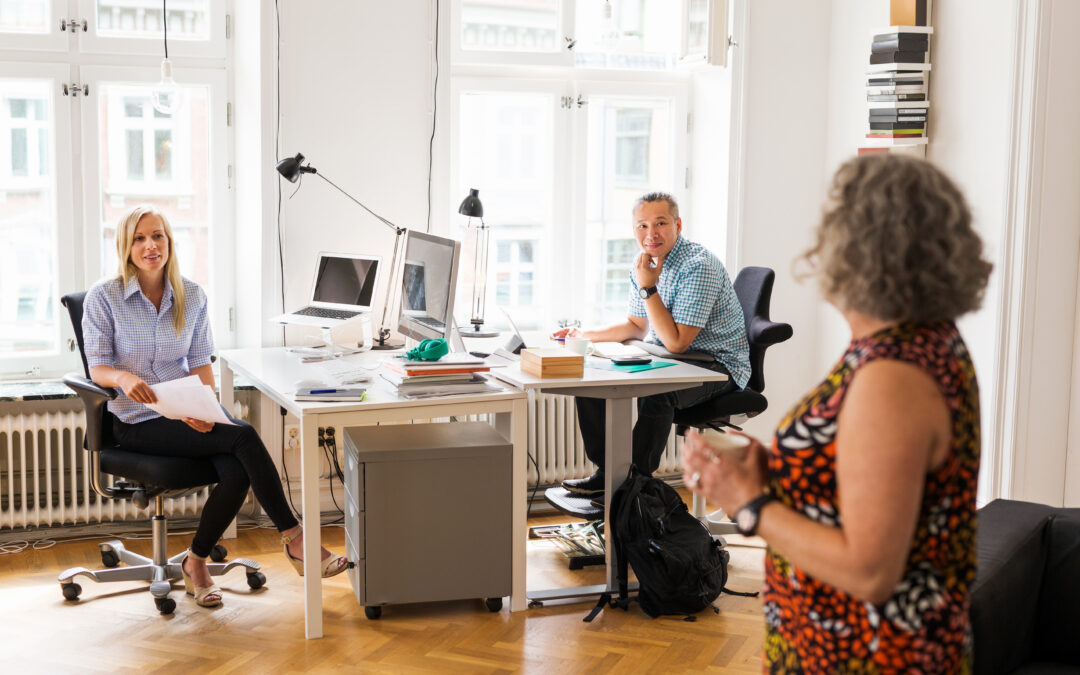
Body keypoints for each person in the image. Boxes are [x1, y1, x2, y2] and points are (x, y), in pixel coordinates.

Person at [681, 154, 992, 673]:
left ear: (857, 248)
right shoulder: (917, 344)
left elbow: (871, 571)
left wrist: (750, 503)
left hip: (868, 655)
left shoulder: (892, 375)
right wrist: (776, 471)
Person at [82, 205, 347, 609]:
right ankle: (296, 539)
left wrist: (208, 410)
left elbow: (201, 362)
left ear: (169, 242)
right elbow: (98, 366)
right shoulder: (105, 297)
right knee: (243, 436)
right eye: (139, 238)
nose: (151, 245)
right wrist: (122, 378)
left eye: (158, 236)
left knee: (236, 466)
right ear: (125, 245)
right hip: (135, 420)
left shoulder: (192, 295)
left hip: (184, 412)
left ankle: (197, 561)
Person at [553, 192, 750, 501]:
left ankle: (635, 483)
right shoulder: (645, 264)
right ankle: (609, 474)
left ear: (678, 225)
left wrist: (648, 287)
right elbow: (635, 326)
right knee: (590, 377)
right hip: (672, 357)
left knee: (659, 391)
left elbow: (677, 342)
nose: (651, 234)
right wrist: (582, 335)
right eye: (642, 225)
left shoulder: (698, 266)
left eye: (660, 223)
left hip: (716, 366)